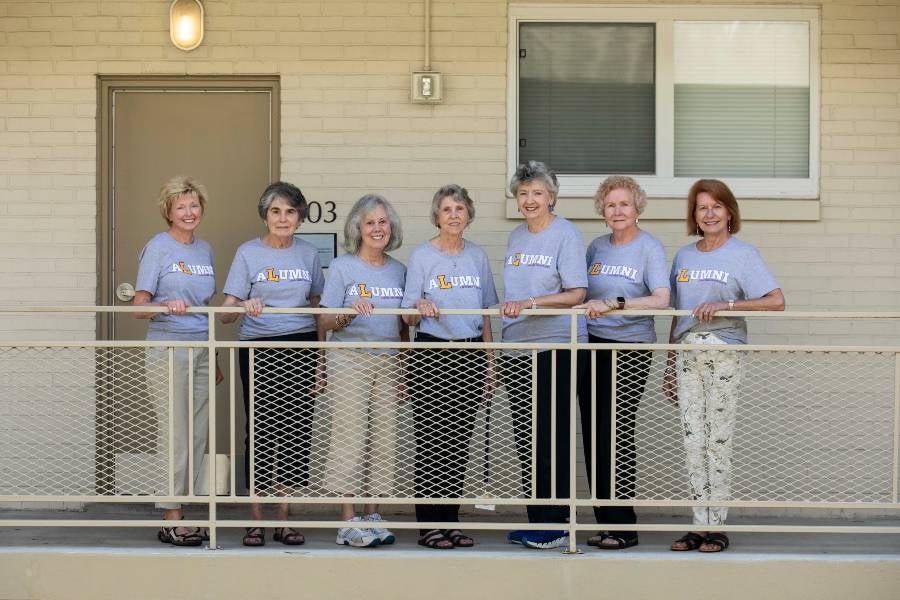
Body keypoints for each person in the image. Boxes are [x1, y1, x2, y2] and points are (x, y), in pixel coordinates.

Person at [665, 179, 785, 553]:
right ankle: (698, 524)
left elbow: (776, 301)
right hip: (687, 354)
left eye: (717, 206)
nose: (710, 214)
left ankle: (716, 525)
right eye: (702, 208)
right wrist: (669, 364)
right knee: (692, 442)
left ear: (729, 212)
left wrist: (727, 306)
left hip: (724, 351)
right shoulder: (684, 257)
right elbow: (676, 315)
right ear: (694, 216)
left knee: (718, 440)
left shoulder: (743, 254)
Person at [221, 181, 324, 547]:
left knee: (297, 428)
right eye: (276, 211)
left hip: (301, 344)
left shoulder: (309, 254)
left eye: (291, 212)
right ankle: (256, 519)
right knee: (262, 427)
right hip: (258, 344)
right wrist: (244, 304)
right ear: (265, 215)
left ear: (300, 217)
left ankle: (283, 518)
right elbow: (225, 315)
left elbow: (318, 310)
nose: (283, 218)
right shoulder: (247, 252)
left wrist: (321, 359)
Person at [574, 176, 669, 550]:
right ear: (602, 209)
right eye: (610, 205)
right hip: (592, 346)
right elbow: (581, 294)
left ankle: (624, 525)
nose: (617, 211)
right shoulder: (596, 247)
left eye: (624, 204)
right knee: (594, 433)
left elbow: (661, 298)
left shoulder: (650, 247)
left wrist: (617, 304)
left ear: (637, 208)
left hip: (629, 349)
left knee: (616, 432)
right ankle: (606, 521)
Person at [401, 184, 498, 550]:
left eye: (460, 209)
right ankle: (429, 524)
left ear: (468, 215)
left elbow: (487, 312)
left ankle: (449, 520)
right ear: (436, 217)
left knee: (459, 443)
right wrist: (420, 306)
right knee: (430, 441)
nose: (454, 215)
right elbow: (408, 314)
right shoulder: (422, 256)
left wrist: (490, 366)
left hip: (470, 355)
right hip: (432, 354)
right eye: (446, 210)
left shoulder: (477, 257)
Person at [501, 161, 588, 550]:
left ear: (551, 197)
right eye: (523, 193)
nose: (530, 200)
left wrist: (532, 303)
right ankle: (538, 519)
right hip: (518, 349)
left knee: (551, 437)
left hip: (557, 347)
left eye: (537, 193)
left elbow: (577, 294)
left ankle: (557, 526)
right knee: (528, 438)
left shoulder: (566, 233)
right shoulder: (516, 237)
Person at [320, 193, 407, 548]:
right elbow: (324, 320)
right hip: (350, 358)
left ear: (391, 227)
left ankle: (373, 515)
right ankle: (348, 519)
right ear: (357, 227)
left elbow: (404, 327)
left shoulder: (399, 270)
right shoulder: (342, 267)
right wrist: (348, 312)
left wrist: (403, 370)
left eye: (382, 222)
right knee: (350, 436)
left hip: (387, 360)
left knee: (384, 439)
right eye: (369, 222)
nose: (376, 228)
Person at [134, 175, 216, 546]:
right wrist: (164, 304)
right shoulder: (158, 248)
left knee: (196, 433)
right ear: (168, 211)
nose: (189, 212)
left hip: (201, 348)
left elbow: (207, 308)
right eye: (181, 206)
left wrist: (212, 354)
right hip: (168, 347)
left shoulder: (205, 250)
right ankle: (171, 517)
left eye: (194, 205)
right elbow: (139, 307)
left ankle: (183, 509)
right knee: (176, 433)